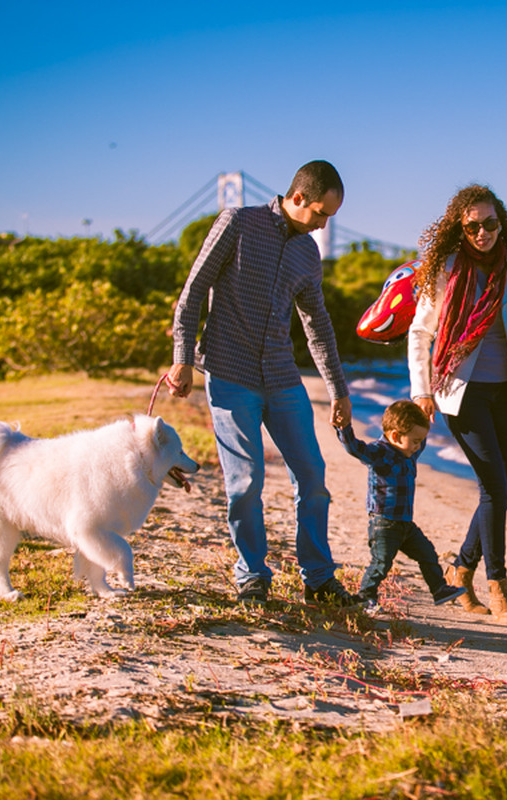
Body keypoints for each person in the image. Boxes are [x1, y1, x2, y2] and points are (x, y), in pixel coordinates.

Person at [167, 159, 357, 607]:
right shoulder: (238, 222)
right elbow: (193, 293)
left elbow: (318, 326)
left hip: (283, 377)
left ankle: (319, 579)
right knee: (246, 481)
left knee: (312, 476)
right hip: (230, 375)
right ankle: (252, 574)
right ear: (297, 198)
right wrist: (182, 361)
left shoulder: (309, 254)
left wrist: (339, 389)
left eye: (331, 217)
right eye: (321, 214)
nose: (324, 224)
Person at [407, 184, 507, 626]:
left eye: (490, 224)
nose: (483, 233)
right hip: (461, 392)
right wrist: (421, 390)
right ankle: (498, 586)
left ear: (502, 224)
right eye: (473, 226)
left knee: (505, 489)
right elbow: (420, 333)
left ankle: (459, 571)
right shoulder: (445, 269)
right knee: (494, 488)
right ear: (459, 228)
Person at [334, 400, 466, 614]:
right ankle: (365, 597)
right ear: (395, 436)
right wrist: (344, 428)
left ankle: (439, 589)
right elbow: (355, 449)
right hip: (384, 523)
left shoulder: (408, 451)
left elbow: (418, 436)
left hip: (405, 524)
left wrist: (424, 410)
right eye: (415, 441)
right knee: (381, 563)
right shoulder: (380, 452)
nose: (418, 446)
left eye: (420, 441)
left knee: (427, 553)